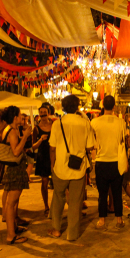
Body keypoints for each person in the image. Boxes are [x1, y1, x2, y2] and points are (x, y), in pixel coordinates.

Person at [48, 95, 94, 241]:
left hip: (60, 166)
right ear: (77, 106)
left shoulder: (57, 124)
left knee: (58, 197)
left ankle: (56, 229)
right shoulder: (84, 123)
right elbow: (90, 146)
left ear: (63, 106)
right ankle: (72, 234)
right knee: (75, 201)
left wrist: (52, 164)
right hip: (78, 167)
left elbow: (52, 148)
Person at [91, 95, 126, 229]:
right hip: (117, 160)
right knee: (117, 192)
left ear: (102, 105)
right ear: (114, 106)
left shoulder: (95, 122)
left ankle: (102, 220)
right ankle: (119, 219)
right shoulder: (121, 122)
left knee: (102, 193)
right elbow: (124, 140)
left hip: (101, 160)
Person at [0, 106, 32, 245]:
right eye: (19, 115)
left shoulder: (9, 129)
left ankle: (13, 228)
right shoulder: (12, 131)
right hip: (15, 169)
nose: (21, 118)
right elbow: (16, 152)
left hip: (13, 168)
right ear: (15, 117)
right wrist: (25, 136)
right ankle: (11, 235)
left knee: (11, 202)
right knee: (11, 203)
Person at [32, 105, 53, 215]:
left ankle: (60, 204)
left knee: (59, 182)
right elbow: (33, 146)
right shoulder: (36, 128)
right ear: (39, 114)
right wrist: (40, 140)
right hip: (42, 156)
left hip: (54, 156)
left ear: (48, 113)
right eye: (41, 112)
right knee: (44, 182)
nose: (43, 114)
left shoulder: (54, 125)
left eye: (45, 112)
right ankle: (46, 206)